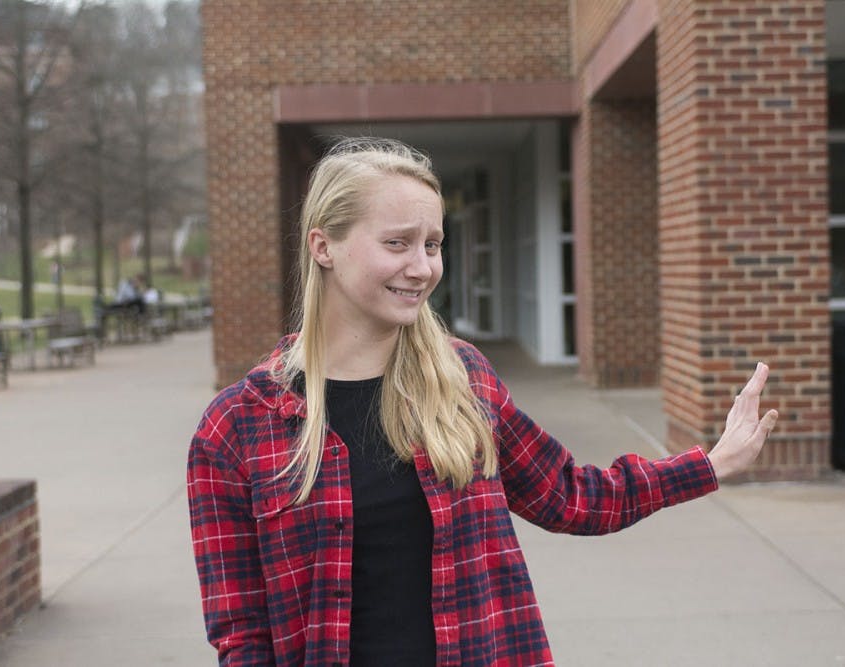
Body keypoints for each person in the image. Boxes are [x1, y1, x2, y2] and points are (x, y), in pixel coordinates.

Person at [187, 137, 778, 666]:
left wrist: (709, 464)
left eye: (433, 244)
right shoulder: (235, 428)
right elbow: (242, 635)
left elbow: (571, 496)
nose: (422, 268)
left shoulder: (463, 380)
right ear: (324, 246)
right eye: (397, 243)